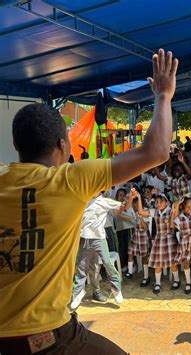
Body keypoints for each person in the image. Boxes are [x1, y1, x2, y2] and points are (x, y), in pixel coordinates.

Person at [0, 48, 178, 354]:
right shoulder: (72, 180)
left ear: (16, 143)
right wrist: (163, 96)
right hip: (49, 340)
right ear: (63, 145)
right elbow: (158, 150)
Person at [71, 191, 132, 309]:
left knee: (108, 263)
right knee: (81, 268)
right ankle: (77, 293)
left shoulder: (105, 201)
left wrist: (131, 197)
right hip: (84, 239)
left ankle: (116, 289)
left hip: (99, 239)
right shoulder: (83, 199)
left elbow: (124, 207)